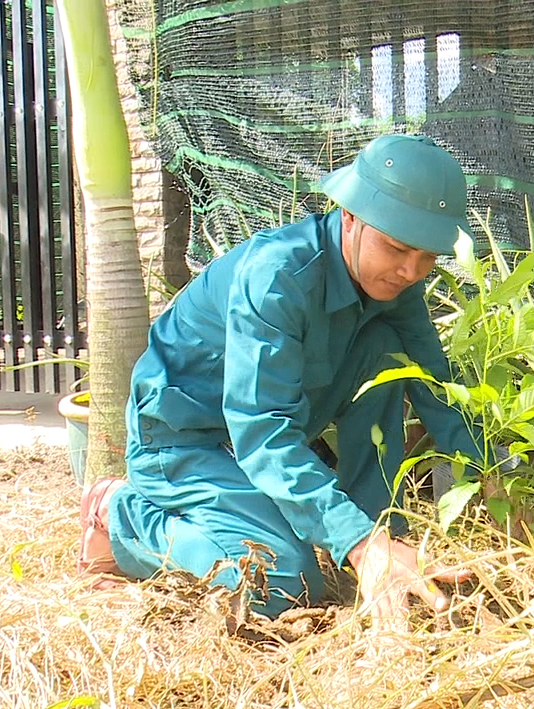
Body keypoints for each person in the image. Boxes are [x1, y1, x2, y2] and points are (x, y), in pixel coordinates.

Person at [78, 134, 494, 625]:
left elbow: (434, 383)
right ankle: (122, 516)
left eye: (427, 257)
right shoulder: (276, 277)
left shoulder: (393, 282)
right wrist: (358, 545)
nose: (409, 271)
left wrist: (492, 475)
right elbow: (262, 431)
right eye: (397, 248)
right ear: (351, 218)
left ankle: (382, 536)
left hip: (253, 441)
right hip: (184, 441)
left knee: (389, 354)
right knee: (281, 583)